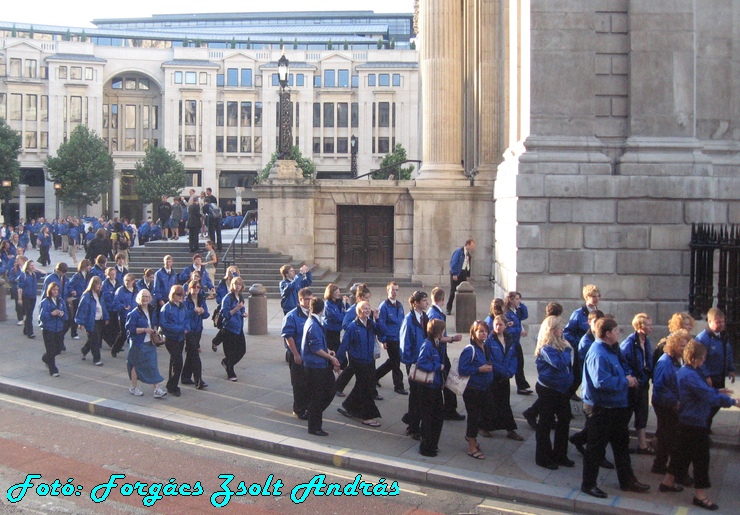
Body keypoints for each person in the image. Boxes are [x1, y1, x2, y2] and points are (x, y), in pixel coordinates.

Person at [663, 340, 739, 510]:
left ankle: (667, 481)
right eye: (703, 357)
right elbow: (705, 395)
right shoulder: (690, 375)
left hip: (687, 420)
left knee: (681, 453)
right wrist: (732, 401)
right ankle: (700, 495)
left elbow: (702, 391)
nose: (705, 360)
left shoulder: (687, 372)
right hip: (695, 421)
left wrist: (716, 391)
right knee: (701, 459)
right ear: (695, 358)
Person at [580, 318, 649, 499]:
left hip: (616, 406)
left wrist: (627, 376)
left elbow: (619, 368)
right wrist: (625, 381)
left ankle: (627, 480)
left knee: (621, 446)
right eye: (616, 330)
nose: (619, 333)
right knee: (595, 448)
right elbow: (601, 382)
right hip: (601, 408)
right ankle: (588, 484)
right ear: (608, 333)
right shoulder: (598, 353)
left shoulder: (612, 349)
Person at [533, 316, 574, 470]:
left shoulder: (561, 343)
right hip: (548, 389)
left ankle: (560, 454)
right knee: (545, 422)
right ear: (551, 330)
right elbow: (558, 363)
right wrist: (568, 349)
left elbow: (567, 366)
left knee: (564, 420)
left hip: (562, 389)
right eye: (559, 328)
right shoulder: (545, 348)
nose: (562, 330)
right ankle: (543, 457)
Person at [336, 301, 385, 428]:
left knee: (361, 386)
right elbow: (344, 344)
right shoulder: (353, 327)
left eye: (368, 308)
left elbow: (382, 332)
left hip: (369, 360)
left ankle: (349, 405)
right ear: (358, 311)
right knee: (367, 388)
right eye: (364, 308)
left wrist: (378, 318)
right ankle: (367, 416)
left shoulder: (370, 323)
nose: (367, 310)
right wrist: (337, 361)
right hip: (358, 362)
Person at [652, 330, 691, 482]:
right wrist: (674, 402)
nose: (685, 348)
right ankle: (675, 472)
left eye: (686, 345)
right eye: (682, 346)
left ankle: (659, 464)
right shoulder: (665, 362)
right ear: (674, 346)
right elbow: (660, 387)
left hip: (673, 403)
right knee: (672, 438)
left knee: (665, 437)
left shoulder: (679, 359)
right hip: (665, 405)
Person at [479, 315, 524, 441]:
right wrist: (502, 371)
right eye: (496, 324)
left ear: (505, 326)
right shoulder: (489, 340)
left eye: (500, 324)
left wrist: (511, 371)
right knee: (491, 403)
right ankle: (484, 426)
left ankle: (510, 429)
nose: (498, 327)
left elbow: (514, 356)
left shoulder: (509, 340)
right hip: (494, 377)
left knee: (505, 403)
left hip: (505, 377)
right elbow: (489, 359)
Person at [302, 297, 341, 436]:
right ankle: (314, 426)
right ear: (322, 309)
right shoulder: (313, 324)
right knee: (318, 396)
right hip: (315, 366)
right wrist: (331, 357)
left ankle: (313, 414)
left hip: (319, 365)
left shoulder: (314, 322)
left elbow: (318, 346)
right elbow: (316, 349)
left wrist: (328, 350)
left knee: (329, 390)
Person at [427, 287, 465, 420]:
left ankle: (448, 407)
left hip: (440, 352)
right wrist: (453, 338)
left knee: (447, 379)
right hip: (439, 353)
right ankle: (449, 409)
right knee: (448, 380)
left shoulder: (434, 312)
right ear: (443, 299)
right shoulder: (434, 314)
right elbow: (437, 336)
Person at [459, 320, 495, 460]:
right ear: (474, 333)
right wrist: (479, 369)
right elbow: (462, 369)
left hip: (484, 388)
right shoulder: (470, 349)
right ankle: (472, 445)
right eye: (480, 331)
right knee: (473, 417)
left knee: (488, 412)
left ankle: (470, 436)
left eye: (485, 331)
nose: (484, 333)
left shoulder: (485, 347)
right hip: (473, 389)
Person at [694, 307, 735, 430]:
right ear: (710, 321)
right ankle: (703, 428)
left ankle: (706, 426)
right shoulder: (703, 339)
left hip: (720, 374)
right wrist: (706, 375)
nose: (721, 324)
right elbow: (700, 360)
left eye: (722, 322)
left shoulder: (722, 336)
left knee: (716, 403)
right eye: (718, 322)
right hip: (710, 377)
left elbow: (727, 353)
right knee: (710, 403)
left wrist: (731, 369)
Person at [620, 313, 655, 454]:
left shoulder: (646, 341)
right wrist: (633, 378)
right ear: (640, 327)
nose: (652, 327)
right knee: (626, 415)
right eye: (648, 325)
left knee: (642, 414)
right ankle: (622, 444)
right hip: (633, 385)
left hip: (643, 383)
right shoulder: (628, 344)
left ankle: (642, 445)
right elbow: (623, 363)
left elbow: (648, 361)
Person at [125, 289, 167, 398]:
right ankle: (133, 387)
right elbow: (130, 329)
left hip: (150, 343)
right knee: (135, 365)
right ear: (139, 298)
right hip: (138, 344)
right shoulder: (134, 313)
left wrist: (155, 330)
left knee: (153, 365)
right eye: (143, 296)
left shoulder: (151, 311)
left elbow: (154, 324)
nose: (145, 299)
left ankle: (156, 389)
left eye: (147, 297)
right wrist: (144, 330)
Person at [415, 318, 447, 457]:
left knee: (437, 417)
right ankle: (426, 446)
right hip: (428, 387)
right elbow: (421, 363)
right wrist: (437, 367)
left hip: (436, 385)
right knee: (429, 417)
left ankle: (433, 444)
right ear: (438, 331)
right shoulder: (428, 345)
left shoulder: (437, 343)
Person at [399, 291, 429, 439]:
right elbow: (405, 343)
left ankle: (412, 419)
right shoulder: (409, 320)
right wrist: (410, 362)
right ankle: (413, 427)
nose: (427, 303)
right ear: (415, 303)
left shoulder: (424, 317)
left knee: (421, 395)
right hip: (414, 362)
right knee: (416, 395)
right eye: (424, 301)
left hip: (423, 361)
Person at [564, 284, 601, 400]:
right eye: (593, 297)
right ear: (586, 297)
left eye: (598, 296)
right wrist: (577, 343)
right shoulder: (578, 313)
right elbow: (567, 332)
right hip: (582, 348)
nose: (596, 299)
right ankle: (567, 394)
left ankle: (571, 393)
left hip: (593, 347)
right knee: (578, 374)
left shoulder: (597, 312)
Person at [281, 288, 313, 420]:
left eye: (311, 299)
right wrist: (296, 354)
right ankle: (299, 409)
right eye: (307, 299)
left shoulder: (313, 313)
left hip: (311, 355)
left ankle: (307, 405)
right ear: (300, 300)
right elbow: (289, 337)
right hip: (297, 354)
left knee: (309, 382)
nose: (310, 302)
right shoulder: (292, 315)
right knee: (298, 383)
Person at [376, 281, 407, 395]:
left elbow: (402, 321)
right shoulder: (384, 307)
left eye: (396, 290)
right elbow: (381, 324)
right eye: (392, 290)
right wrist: (383, 339)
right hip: (390, 339)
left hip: (399, 338)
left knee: (392, 361)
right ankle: (398, 385)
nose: (394, 292)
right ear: (387, 291)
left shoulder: (399, 305)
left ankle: (375, 376)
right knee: (396, 363)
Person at [159, 284, 188, 396]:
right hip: (170, 338)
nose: (180, 296)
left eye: (182, 294)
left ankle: (171, 384)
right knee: (178, 362)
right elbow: (164, 324)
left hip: (180, 338)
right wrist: (180, 329)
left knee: (174, 362)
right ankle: (173, 386)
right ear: (173, 294)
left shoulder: (182, 306)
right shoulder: (166, 307)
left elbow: (186, 319)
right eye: (178, 294)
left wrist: (186, 328)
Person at [181, 278, 209, 390]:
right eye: (194, 287)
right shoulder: (185, 301)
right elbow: (183, 315)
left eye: (198, 287)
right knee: (195, 354)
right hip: (189, 330)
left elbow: (206, 314)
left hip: (198, 329)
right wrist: (193, 311)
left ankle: (185, 377)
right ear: (189, 288)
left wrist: (202, 311)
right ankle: (199, 380)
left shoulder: (201, 299)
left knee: (190, 354)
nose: (196, 289)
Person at [75, 276, 109, 366]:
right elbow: (82, 309)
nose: (99, 286)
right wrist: (80, 322)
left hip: (99, 320)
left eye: (100, 284)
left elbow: (103, 307)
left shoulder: (100, 295)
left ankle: (84, 350)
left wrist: (106, 317)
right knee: (95, 340)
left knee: (92, 339)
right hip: (90, 320)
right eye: (97, 284)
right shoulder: (86, 296)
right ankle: (96, 359)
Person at [219, 276, 248, 381]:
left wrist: (243, 313)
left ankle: (227, 362)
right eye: (236, 284)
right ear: (232, 285)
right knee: (230, 351)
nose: (238, 286)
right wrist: (236, 309)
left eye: (239, 284)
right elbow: (225, 314)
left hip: (238, 327)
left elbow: (242, 309)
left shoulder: (241, 297)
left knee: (242, 350)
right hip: (229, 328)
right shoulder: (227, 298)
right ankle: (230, 372)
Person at [504, 291, 531, 395]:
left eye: (519, 299)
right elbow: (507, 330)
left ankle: (522, 385)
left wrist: (521, 305)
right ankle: (521, 385)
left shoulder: (516, 311)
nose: (519, 301)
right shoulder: (507, 313)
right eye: (516, 299)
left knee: (520, 363)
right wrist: (518, 331)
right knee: (515, 363)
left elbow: (525, 315)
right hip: (511, 343)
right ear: (510, 300)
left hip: (516, 342)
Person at [39, 282, 68, 377]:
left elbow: (66, 316)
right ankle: (53, 369)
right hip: (48, 329)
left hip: (58, 328)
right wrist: (51, 313)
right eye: (54, 289)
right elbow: (42, 317)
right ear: (50, 290)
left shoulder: (61, 301)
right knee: (51, 349)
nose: (55, 291)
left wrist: (62, 314)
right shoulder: (45, 302)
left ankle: (46, 358)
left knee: (58, 348)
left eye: (57, 289)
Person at [112, 273, 138, 357]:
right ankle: (115, 349)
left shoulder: (137, 290)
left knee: (134, 334)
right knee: (123, 334)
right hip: (124, 316)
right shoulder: (120, 290)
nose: (127, 282)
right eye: (126, 280)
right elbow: (115, 303)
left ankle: (134, 353)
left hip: (135, 316)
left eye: (129, 280)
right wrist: (123, 306)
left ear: (133, 281)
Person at [17, 259, 46, 339]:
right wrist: (20, 299)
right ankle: (30, 332)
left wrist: (36, 269)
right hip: (26, 296)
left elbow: (44, 273)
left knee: (30, 313)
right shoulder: (23, 275)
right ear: (27, 266)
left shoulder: (34, 274)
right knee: (29, 314)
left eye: (33, 265)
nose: (32, 267)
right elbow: (20, 288)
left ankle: (26, 329)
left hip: (33, 296)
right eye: (31, 265)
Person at [446, 239, 475, 315]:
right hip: (457, 273)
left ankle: (462, 308)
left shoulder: (468, 254)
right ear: (467, 244)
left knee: (463, 290)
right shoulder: (459, 252)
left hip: (463, 273)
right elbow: (453, 263)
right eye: (472, 245)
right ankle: (448, 308)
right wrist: (454, 274)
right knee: (453, 291)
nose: (472, 247)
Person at [66, 259, 91, 341]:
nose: (90, 267)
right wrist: (72, 291)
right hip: (77, 298)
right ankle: (73, 332)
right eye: (88, 265)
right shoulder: (78, 275)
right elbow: (70, 284)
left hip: (83, 297)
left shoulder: (87, 275)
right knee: (76, 314)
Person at [321, 283, 348, 353]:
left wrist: (345, 303)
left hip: (337, 330)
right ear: (331, 294)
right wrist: (343, 312)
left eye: (339, 292)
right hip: (330, 331)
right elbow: (337, 317)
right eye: (336, 292)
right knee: (333, 348)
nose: (338, 294)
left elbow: (347, 310)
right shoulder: (328, 304)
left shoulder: (338, 302)